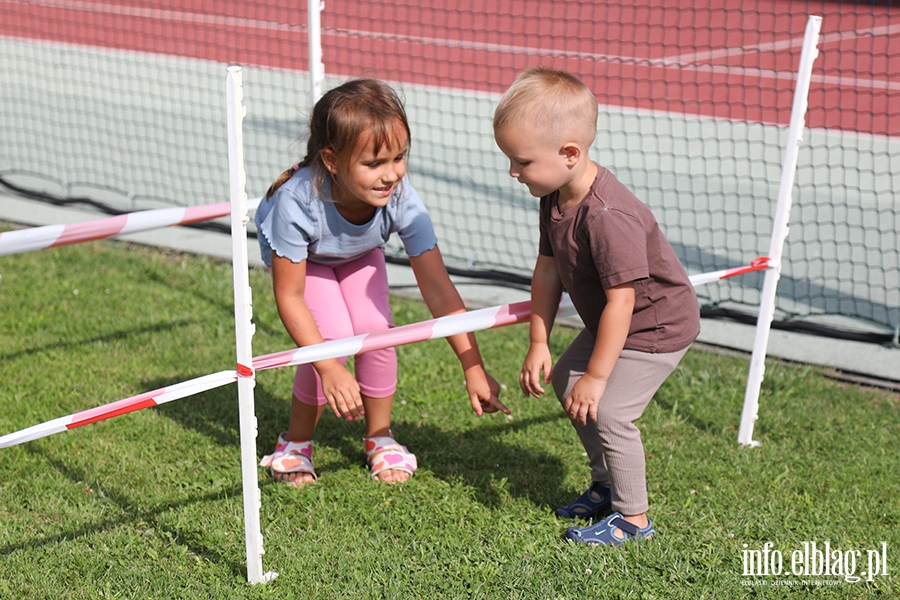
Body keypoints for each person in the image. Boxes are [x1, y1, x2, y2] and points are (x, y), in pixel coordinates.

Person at [256, 78, 507, 486]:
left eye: (399, 158)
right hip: (306, 264)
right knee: (333, 334)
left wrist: (472, 365)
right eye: (374, 164)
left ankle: (379, 437)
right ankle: (296, 442)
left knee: (377, 332)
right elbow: (289, 295)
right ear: (332, 161)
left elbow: (439, 289)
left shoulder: (401, 197)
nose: (391, 175)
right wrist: (328, 367)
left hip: (359, 252)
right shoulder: (295, 202)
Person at [493, 67, 700, 545]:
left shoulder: (608, 216)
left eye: (521, 161)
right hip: (619, 320)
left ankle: (634, 520)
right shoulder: (554, 194)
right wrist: (538, 340)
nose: (512, 172)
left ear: (570, 154)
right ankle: (606, 484)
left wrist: (600, 377)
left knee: (607, 410)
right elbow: (547, 270)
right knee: (568, 381)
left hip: (656, 326)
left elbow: (622, 303)